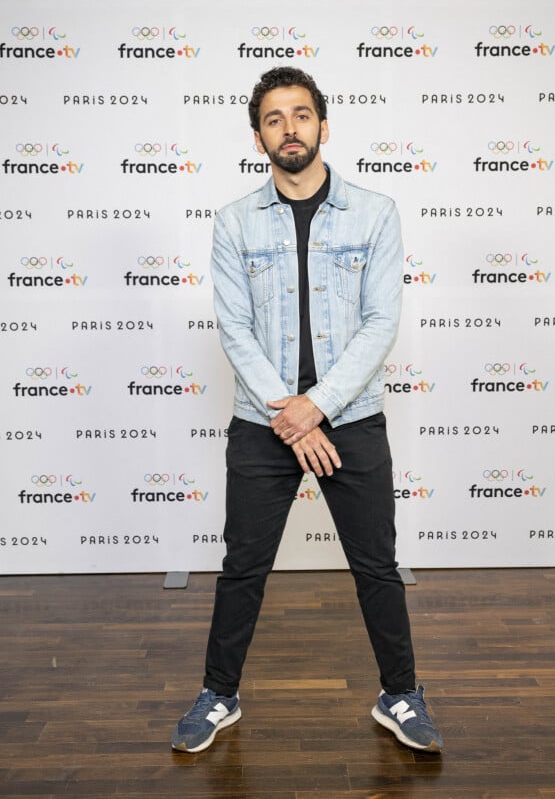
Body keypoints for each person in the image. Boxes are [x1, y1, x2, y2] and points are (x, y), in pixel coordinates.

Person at [171, 66, 443, 754]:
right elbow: (234, 329)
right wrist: (287, 416)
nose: (288, 128)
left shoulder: (376, 211)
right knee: (244, 565)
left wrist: (316, 408)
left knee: (376, 563)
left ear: (324, 125)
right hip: (262, 420)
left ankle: (401, 695)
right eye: (273, 117)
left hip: (352, 417)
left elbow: (381, 323)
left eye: (300, 114)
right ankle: (219, 694)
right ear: (257, 134)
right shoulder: (233, 222)